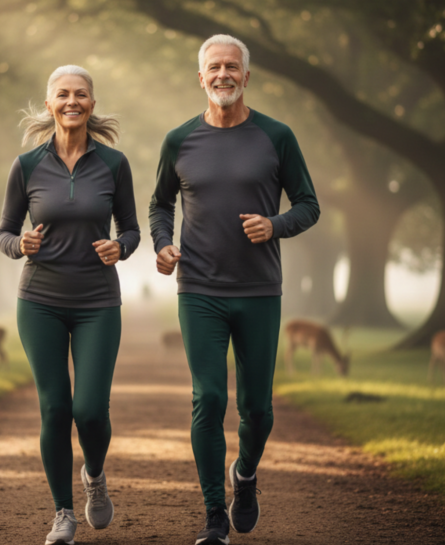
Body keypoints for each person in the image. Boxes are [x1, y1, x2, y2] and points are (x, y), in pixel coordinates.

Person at [149, 35, 320, 545]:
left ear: (246, 76)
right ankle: (213, 515)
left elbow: (308, 204)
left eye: (232, 67)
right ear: (200, 77)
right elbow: (160, 205)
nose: (222, 75)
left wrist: (276, 224)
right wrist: (162, 244)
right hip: (198, 288)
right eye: (213, 68)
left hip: (260, 290)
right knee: (208, 397)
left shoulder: (277, 136)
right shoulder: (178, 141)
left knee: (258, 409)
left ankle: (244, 476)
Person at [0, 65, 140, 545]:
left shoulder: (115, 165)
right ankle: (62, 513)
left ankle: (94, 475)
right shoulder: (27, 165)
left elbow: (132, 229)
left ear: (92, 104)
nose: (72, 101)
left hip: (98, 300)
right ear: (49, 103)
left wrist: (122, 247)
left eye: (81, 94)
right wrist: (21, 245)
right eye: (63, 94)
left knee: (91, 411)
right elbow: (3, 232)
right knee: (55, 408)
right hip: (40, 300)